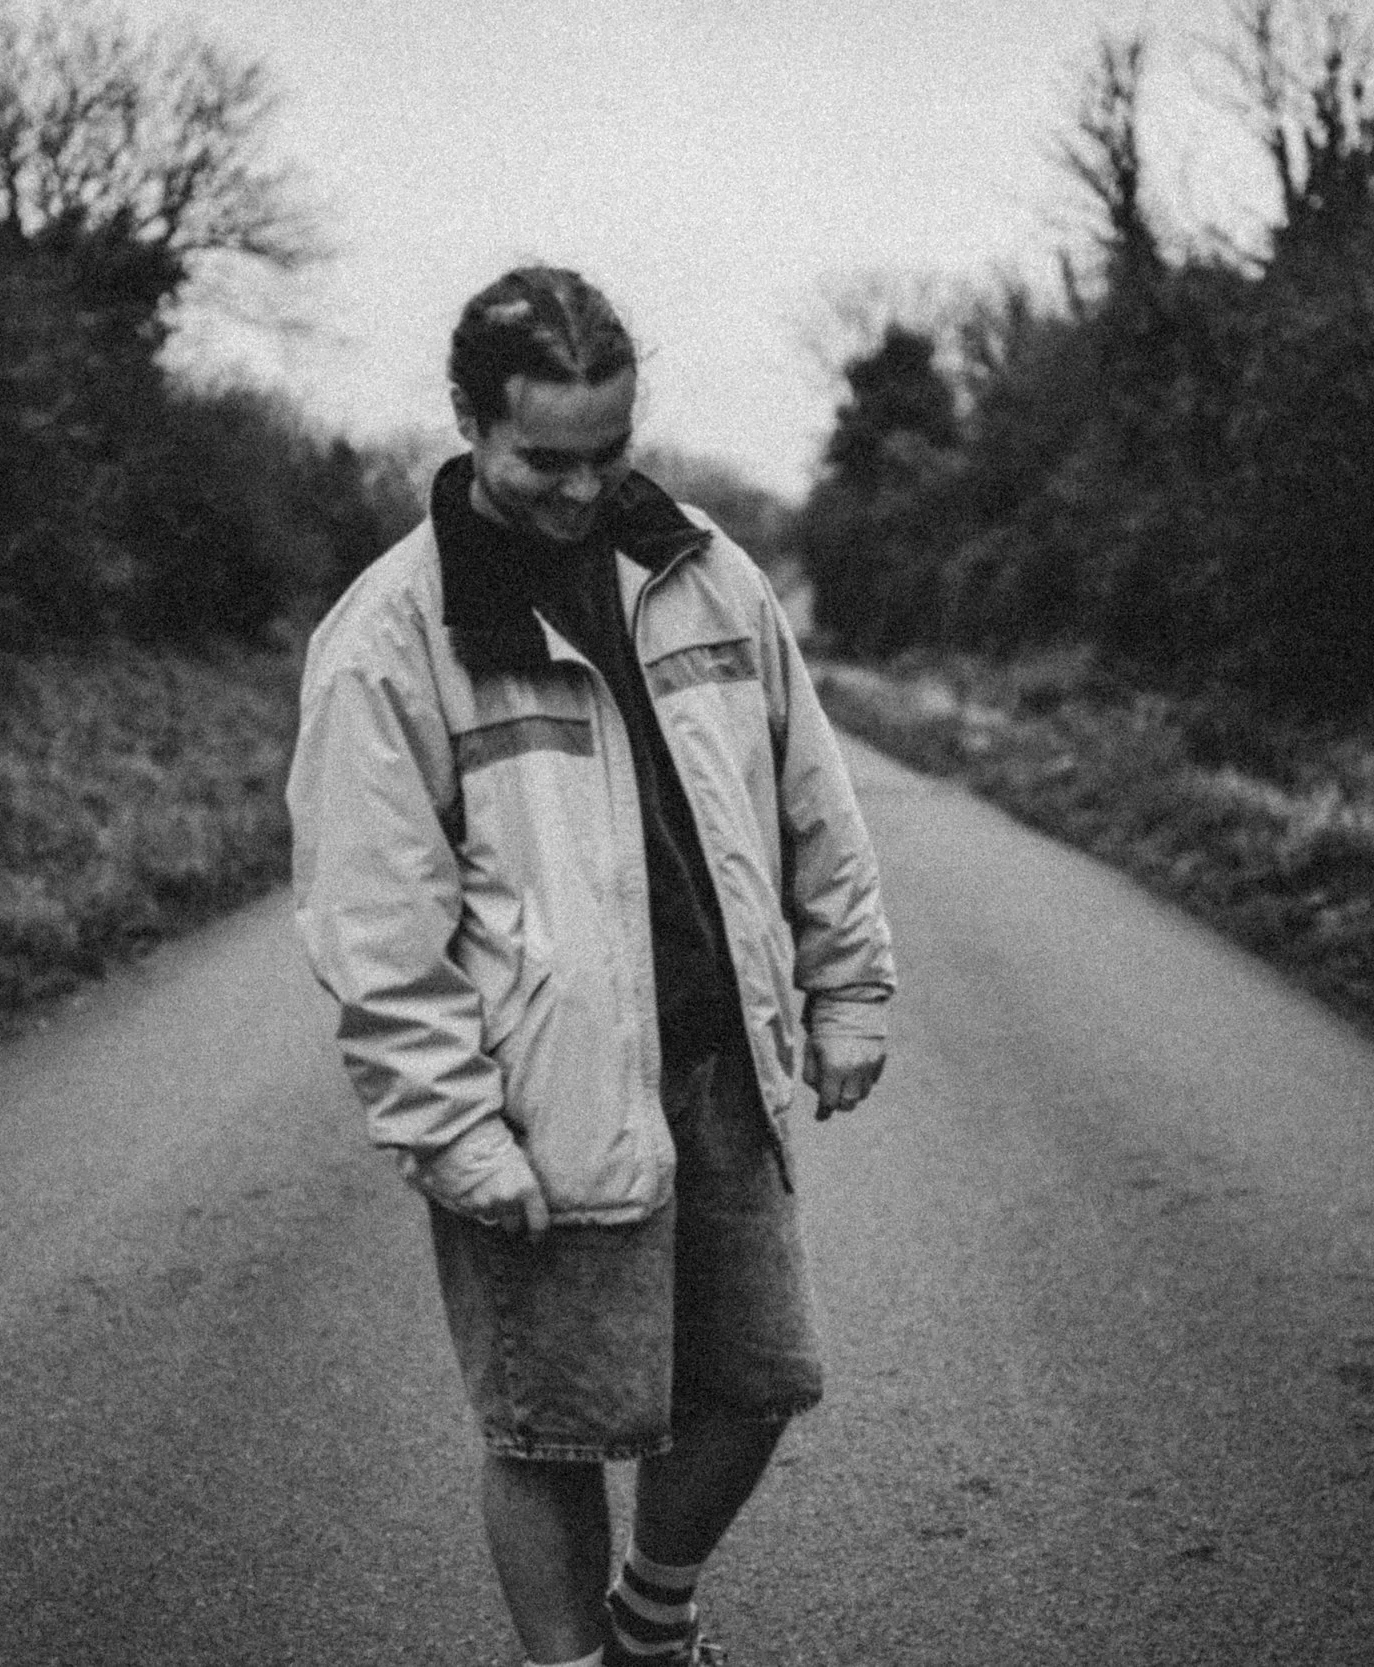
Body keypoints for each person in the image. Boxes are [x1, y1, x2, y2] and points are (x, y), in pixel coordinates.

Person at [287, 265, 895, 1667]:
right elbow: (375, 927)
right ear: (470, 421)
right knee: (551, 1429)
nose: (578, 489)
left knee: (754, 1383)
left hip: (723, 1062)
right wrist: (454, 1131)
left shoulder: (703, 567)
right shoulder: (392, 635)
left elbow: (813, 789)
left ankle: (649, 1621)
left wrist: (849, 984)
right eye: (543, 458)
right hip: (540, 1098)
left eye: (606, 451)